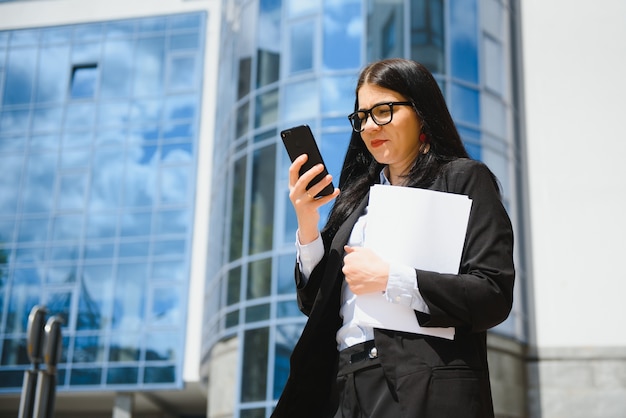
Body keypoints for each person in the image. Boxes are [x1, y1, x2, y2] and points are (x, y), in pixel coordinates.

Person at [272, 58, 515, 418]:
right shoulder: (358, 203)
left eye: (383, 111)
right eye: (362, 117)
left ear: (421, 111)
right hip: (341, 386)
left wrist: (390, 279)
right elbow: (314, 304)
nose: (370, 126)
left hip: (421, 384)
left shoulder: (462, 180)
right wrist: (308, 224)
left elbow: (492, 293)